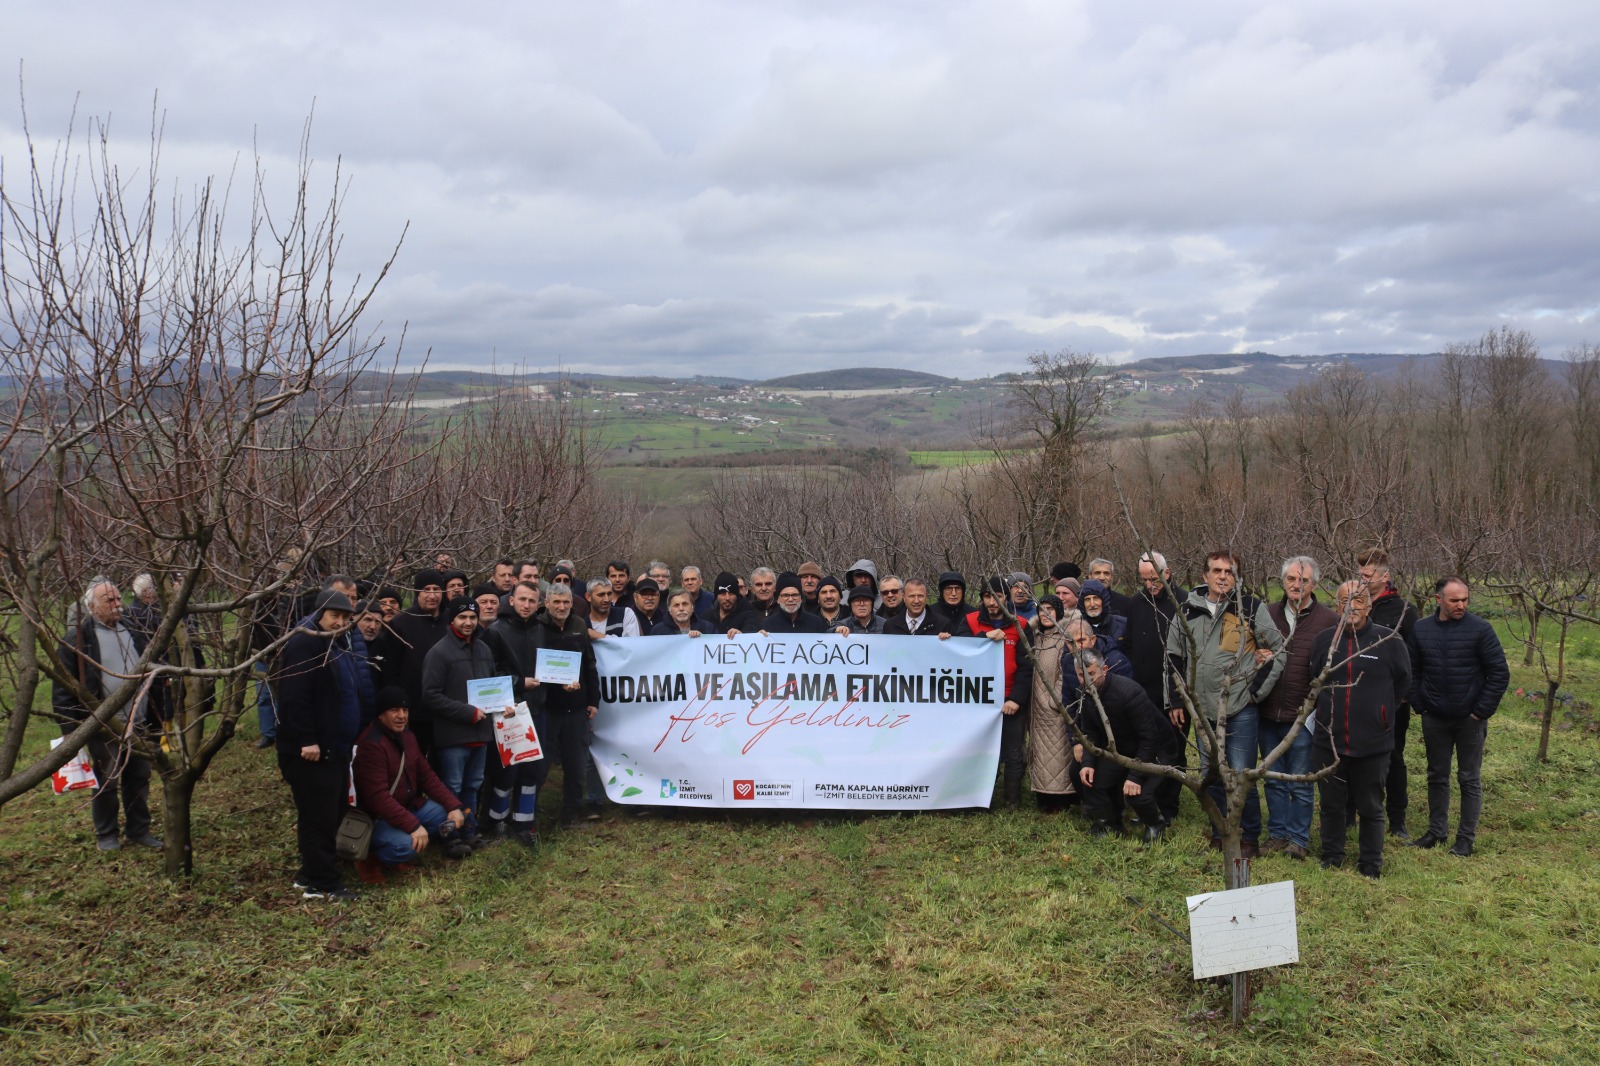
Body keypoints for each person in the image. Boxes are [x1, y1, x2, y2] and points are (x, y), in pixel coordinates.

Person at [1166, 550, 1286, 858]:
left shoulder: (1250, 608)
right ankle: (1221, 832)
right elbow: (1174, 657)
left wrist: (1255, 692)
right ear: (1205, 576)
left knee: (1241, 775)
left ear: (1237, 577)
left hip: (1239, 708)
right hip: (1202, 710)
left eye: (1229, 572)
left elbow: (1278, 650)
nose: (1223, 576)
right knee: (1213, 775)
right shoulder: (1187, 609)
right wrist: (1176, 700)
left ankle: (1249, 838)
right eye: (1217, 571)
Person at [52, 578, 163, 852]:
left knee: (139, 777)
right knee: (106, 781)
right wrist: (70, 730)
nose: (117, 604)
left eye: (118, 598)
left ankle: (139, 830)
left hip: (138, 722)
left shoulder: (133, 629)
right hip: (103, 725)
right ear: (92, 607)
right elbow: (63, 689)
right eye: (109, 600)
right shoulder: (78, 640)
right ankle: (107, 834)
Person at [1311, 580, 1412, 878]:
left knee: (1371, 806)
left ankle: (1370, 862)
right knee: (1331, 804)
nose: (1351, 607)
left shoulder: (1388, 641)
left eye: (1358, 600)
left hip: (1373, 743)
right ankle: (1332, 855)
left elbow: (1403, 682)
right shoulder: (1324, 641)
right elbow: (1314, 678)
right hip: (1329, 741)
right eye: (1345, 601)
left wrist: (1380, 715)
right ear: (1337, 605)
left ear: (1368, 605)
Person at [1407, 577, 1509, 857]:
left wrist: (1480, 711)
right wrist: (1421, 706)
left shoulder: (1480, 629)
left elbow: (1499, 673)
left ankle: (1465, 839)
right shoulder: (1421, 629)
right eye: (1454, 600)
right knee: (1436, 775)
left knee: (1469, 778)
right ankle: (1436, 832)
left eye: (1465, 599)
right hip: (1434, 717)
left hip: (1469, 719)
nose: (1461, 605)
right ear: (1438, 599)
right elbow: (1411, 671)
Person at [275, 589, 362, 900]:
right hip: (311, 752)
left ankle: (310, 873)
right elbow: (293, 697)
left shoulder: (335, 643)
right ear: (319, 614)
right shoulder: (306, 643)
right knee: (319, 817)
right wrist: (307, 739)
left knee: (329, 812)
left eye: (345, 617)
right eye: (334, 616)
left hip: (334, 747)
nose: (339, 622)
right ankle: (322, 884)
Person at [1259, 556, 1339, 861]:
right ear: (1283, 581)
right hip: (1268, 711)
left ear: (1314, 584)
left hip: (1303, 715)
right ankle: (1277, 834)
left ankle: (1298, 839)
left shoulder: (1328, 620)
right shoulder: (1266, 614)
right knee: (1273, 778)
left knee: (1301, 780)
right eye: (1291, 579)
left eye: (1303, 580)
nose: (1296, 585)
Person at [352, 687, 472, 883]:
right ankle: (369, 858)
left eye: (405, 710)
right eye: (394, 710)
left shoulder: (408, 737)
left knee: (447, 817)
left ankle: (399, 844)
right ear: (381, 714)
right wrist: (413, 826)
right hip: (377, 819)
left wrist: (453, 806)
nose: (401, 716)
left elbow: (427, 777)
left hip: (406, 807)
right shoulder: (371, 745)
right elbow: (377, 798)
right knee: (406, 847)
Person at [421, 598, 507, 847]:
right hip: (454, 736)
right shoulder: (439, 653)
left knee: (473, 786)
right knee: (452, 788)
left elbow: (493, 685)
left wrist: (503, 704)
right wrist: (467, 713)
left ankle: (469, 832)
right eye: (462, 617)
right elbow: (430, 695)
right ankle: (450, 837)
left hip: (480, 734)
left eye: (472, 617)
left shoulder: (483, 649)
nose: (468, 622)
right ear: (452, 620)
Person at [1074, 649, 1180, 841]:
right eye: (1081, 675)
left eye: (1091, 674)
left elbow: (1149, 737)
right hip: (1122, 749)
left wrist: (1135, 776)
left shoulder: (1129, 692)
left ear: (1104, 669)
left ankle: (1155, 823)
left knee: (1136, 793)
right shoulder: (1085, 694)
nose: (1086, 680)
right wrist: (1088, 763)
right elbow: (1090, 733)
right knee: (1085, 775)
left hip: (1157, 749)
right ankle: (1109, 823)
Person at [1358, 548, 1421, 838]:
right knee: (1354, 756)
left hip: (1391, 700)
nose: (1363, 578)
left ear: (1385, 577)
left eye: (1369, 574)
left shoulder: (1403, 611)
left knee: (1393, 757)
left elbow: (1414, 655)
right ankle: (1355, 812)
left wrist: (1404, 695)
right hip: (1356, 697)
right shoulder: (1355, 604)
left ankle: (1397, 820)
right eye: (1361, 573)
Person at [488, 581, 548, 844]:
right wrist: (519, 683)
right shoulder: (495, 631)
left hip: (537, 707)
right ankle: (496, 821)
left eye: (532, 601)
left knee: (532, 770)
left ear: (538, 604)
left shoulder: (540, 629)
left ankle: (524, 822)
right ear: (511, 601)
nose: (526, 605)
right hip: (510, 711)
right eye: (522, 599)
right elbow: (489, 672)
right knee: (507, 771)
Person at [966, 577, 1033, 808]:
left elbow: (1027, 667)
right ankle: (980, 797)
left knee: (1013, 751)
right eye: (987, 596)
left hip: (1009, 697)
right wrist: (984, 637)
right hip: (979, 699)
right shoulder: (971, 620)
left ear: (1006, 598)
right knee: (981, 751)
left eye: (998, 596)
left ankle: (1012, 800)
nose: (992, 602)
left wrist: (1016, 699)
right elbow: (959, 647)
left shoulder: (1020, 624)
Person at [537, 584, 600, 827]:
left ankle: (572, 813)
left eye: (566, 602)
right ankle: (529, 814)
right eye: (556, 602)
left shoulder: (579, 625)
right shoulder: (537, 627)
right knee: (540, 765)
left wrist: (593, 700)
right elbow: (534, 668)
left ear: (572, 603)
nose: (561, 607)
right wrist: (557, 685)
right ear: (547, 603)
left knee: (576, 765)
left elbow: (590, 665)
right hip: (547, 708)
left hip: (577, 708)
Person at [1023, 594, 1075, 813]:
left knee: (1058, 755)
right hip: (1034, 708)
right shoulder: (1034, 637)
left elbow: (1067, 671)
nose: (1045, 614)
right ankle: (1043, 797)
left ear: (1058, 612)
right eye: (1041, 609)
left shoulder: (1064, 638)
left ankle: (1062, 800)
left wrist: (1054, 701)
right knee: (1041, 755)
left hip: (1053, 708)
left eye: (1050, 609)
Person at [760, 574, 831, 634]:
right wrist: (758, 637)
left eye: (795, 595)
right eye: (785, 595)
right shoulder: (767, 625)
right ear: (778, 599)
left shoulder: (816, 623)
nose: (790, 599)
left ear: (801, 598)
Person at [704, 571, 757, 635]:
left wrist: (741, 635)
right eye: (723, 594)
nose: (727, 598)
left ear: (737, 595)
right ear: (716, 596)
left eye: (731, 594)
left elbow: (751, 636)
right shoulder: (707, 617)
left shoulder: (748, 615)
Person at [929, 572, 973, 637]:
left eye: (957, 588)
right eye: (948, 589)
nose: (953, 593)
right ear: (942, 591)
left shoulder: (973, 614)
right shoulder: (929, 613)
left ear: (963, 591)